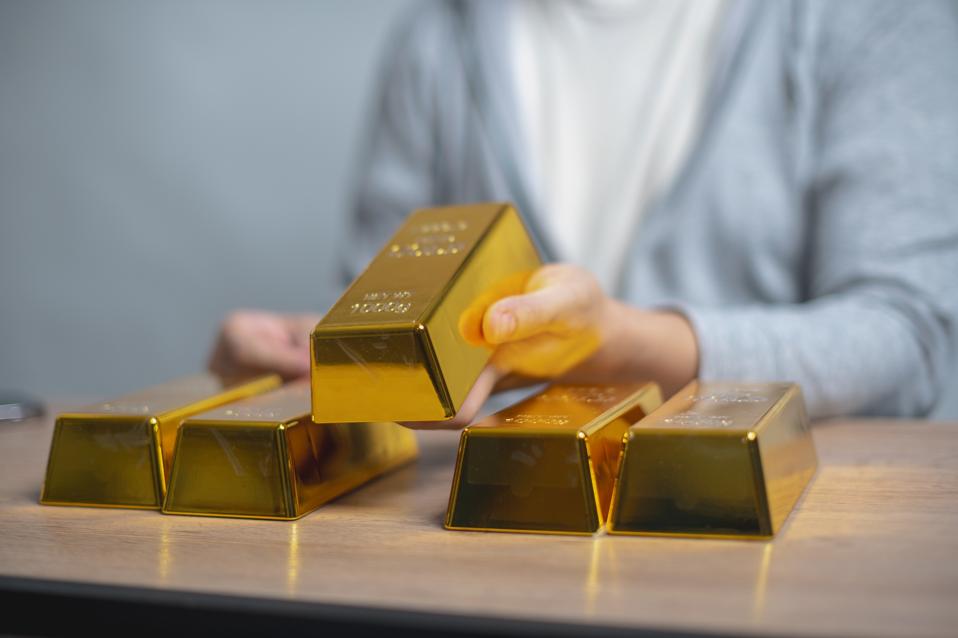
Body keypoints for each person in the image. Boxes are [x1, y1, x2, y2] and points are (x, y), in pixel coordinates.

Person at [209, 0, 958, 424]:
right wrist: (325, 356)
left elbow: (910, 337)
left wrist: (619, 342)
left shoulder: (864, 18)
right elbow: (393, 306)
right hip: (482, 556)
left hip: (775, 553)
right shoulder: (436, 41)